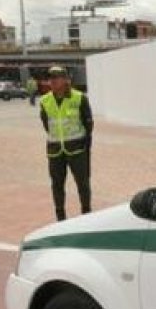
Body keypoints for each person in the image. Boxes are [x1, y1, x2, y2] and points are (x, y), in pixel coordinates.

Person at [39, 66, 93, 221]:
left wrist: (84, 143)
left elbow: (88, 124)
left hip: (77, 149)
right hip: (55, 150)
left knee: (82, 184)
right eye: (50, 78)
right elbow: (46, 124)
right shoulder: (44, 101)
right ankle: (60, 216)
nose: (53, 81)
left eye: (56, 78)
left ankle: (86, 214)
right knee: (57, 185)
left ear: (65, 80)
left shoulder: (79, 98)